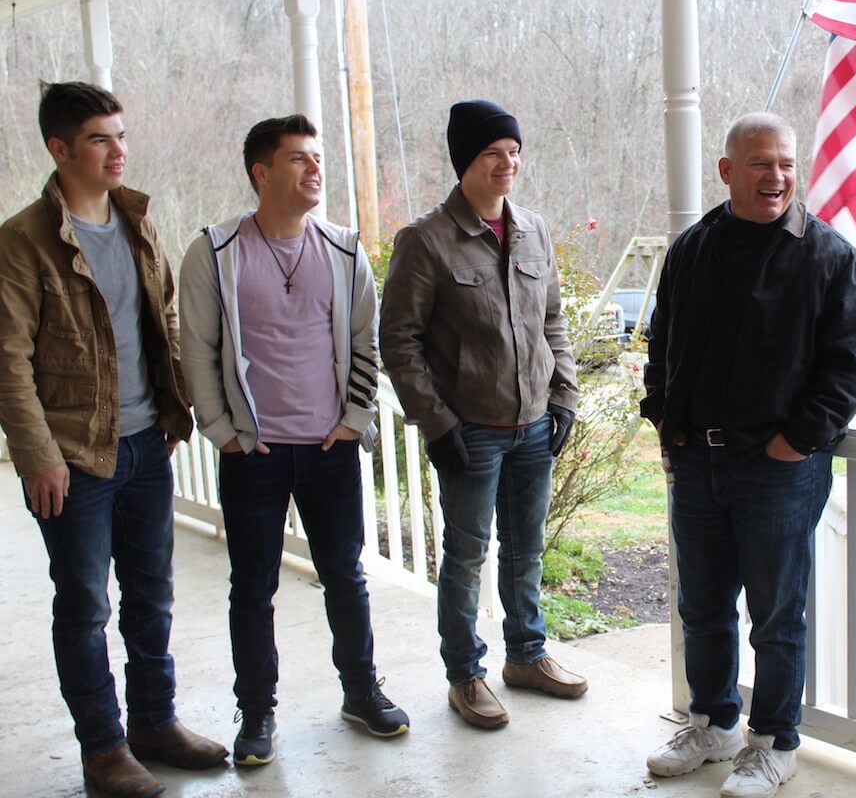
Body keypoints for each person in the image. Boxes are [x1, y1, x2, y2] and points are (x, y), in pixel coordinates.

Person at [641, 112, 856, 798]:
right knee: (704, 605)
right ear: (726, 171)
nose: (776, 176)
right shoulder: (693, 248)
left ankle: (774, 741)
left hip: (778, 469)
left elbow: (855, 364)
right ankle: (713, 724)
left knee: (778, 614)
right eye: (759, 164)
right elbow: (663, 342)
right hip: (697, 462)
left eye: (785, 163)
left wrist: (798, 438)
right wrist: (665, 415)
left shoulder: (828, 255)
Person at [0, 81, 228, 798]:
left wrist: (175, 410)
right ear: (60, 149)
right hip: (73, 457)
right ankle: (103, 750)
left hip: (144, 445)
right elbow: (7, 358)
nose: (118, 150)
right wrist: (37, 455)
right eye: (100, 139)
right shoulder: (21, 242)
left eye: (121, 135)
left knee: (152, 596)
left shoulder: (137, 222)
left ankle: (154, 723)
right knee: (85, 605)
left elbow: (160, 319)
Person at [178, 114, 407, 767]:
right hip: (255, 452)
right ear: (262, 171)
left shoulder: (342, 248)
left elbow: (367, 338)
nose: (315, 169)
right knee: (252, 587)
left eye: (317, 157)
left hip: (330, 449)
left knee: (346, 577)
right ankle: (256, 714)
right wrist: (221, 432)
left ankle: (361, 692)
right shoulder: (215, 252)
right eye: (299, 158)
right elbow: (197, 348)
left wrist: (356, 417)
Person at [379, 99, 586, 730]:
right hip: (470, 430)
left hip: (533, 425)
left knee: (525, 550)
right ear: (465, 161)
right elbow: (400, 342)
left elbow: (552, 318)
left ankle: (526, 655)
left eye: (515, 152)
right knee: (467, 555)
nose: (509, 164)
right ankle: (464, 675)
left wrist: (566, 396)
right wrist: (437, 424)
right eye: (494, 153)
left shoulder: (534, 230)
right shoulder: (426, 240)